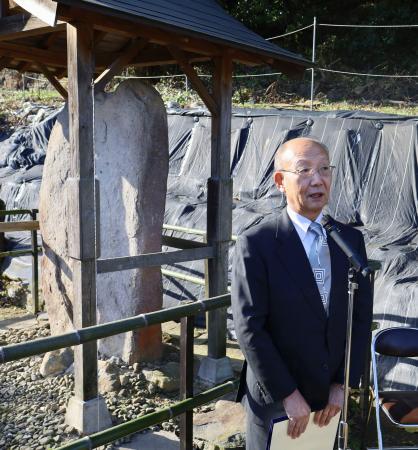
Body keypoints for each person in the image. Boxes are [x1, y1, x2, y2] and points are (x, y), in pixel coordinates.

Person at [231, 137, 373, 450]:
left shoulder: (348, 241)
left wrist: (343, 384)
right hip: (276, 400)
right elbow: (248, 327)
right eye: (304, 170)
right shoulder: (258, 243)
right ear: (280, 181)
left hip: (328, 395)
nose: (317, 179)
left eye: (324, 169)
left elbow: (360, 320)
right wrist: (288, 394)